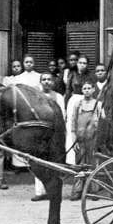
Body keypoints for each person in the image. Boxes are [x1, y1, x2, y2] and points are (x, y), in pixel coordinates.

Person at [32, 70, 66, 201]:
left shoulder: (58, 97)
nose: (46, 82)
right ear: (40, 82)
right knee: (38, 161)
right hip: (40, 134)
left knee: (53, 162)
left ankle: (53, 191)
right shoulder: (36, 97)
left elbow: (62, 116)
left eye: (49, 79)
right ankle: (39, 192)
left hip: (54, 134)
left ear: (53, 82)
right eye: (44, 79)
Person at [68, 78, 101, 201]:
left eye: (89, 88)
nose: (86, 91)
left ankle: (93, 191)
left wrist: (98, 141)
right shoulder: (78, 104)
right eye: (84, 88)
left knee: (93, 164)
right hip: (80, 139)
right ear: (82, 90)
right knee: (80, 165)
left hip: (93, 139)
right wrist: (74, 139)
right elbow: (73, 122)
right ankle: (77, 191)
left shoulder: (98, 104)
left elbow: (102, 122)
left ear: (93, 90)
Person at [92, 61, 113, 157]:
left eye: (102, 70)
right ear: (95, 73)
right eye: (97, 71)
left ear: (106, 73)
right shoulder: (92, 89)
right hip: (95, 125)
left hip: (109, 124)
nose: (100, 72)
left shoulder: (112, 88)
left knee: (108, 150)